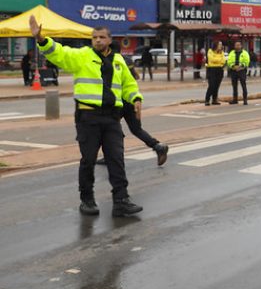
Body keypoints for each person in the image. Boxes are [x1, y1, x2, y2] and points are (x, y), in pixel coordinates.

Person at [29, 16, 143, 217]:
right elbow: (60, 54)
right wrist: (41, 39)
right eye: (94, 38)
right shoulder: (82, 55)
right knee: (88, 160)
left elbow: (128, 85)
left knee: (116, 159)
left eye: (101, 37)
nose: (97, 40)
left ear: (109, 39)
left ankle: (121, 200)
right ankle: (87, 200)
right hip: (88, 117)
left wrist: (135, 98)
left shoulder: (118, 61)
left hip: (112, 119)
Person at [97, 44, 168, 166]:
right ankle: (157, 146)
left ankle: (111, 156)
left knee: (107, 128)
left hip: (117, 102)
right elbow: (135, 76)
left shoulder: (107, 61)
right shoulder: (127, 60)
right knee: (136, 129)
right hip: (131, 100)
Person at [227, 41, 250, 105]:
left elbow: (247, 61)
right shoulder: (231, 53)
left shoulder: (245, 53)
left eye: (238, 45)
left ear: (241, 46)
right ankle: (235, 99)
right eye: (236, 45)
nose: (237, 46)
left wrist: (241, 66)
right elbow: (229, 61)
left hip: (242, 70)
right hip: (233, 70)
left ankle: (245, 100)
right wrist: (232, 66)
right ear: (234, 46)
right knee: (234, 86)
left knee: (243, 85)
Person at [205, 40, 226, 105]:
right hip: (212, 69)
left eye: (221, 44)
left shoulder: (221, 52)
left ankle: (214, 99)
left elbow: (224, 61)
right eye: (219, 44)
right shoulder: (210, 51)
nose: (220, 46)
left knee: (217, 85)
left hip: (219, 69)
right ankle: (207, 99)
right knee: (212, 85)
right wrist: (219, 60)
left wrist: (217, 60)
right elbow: (211, 59)